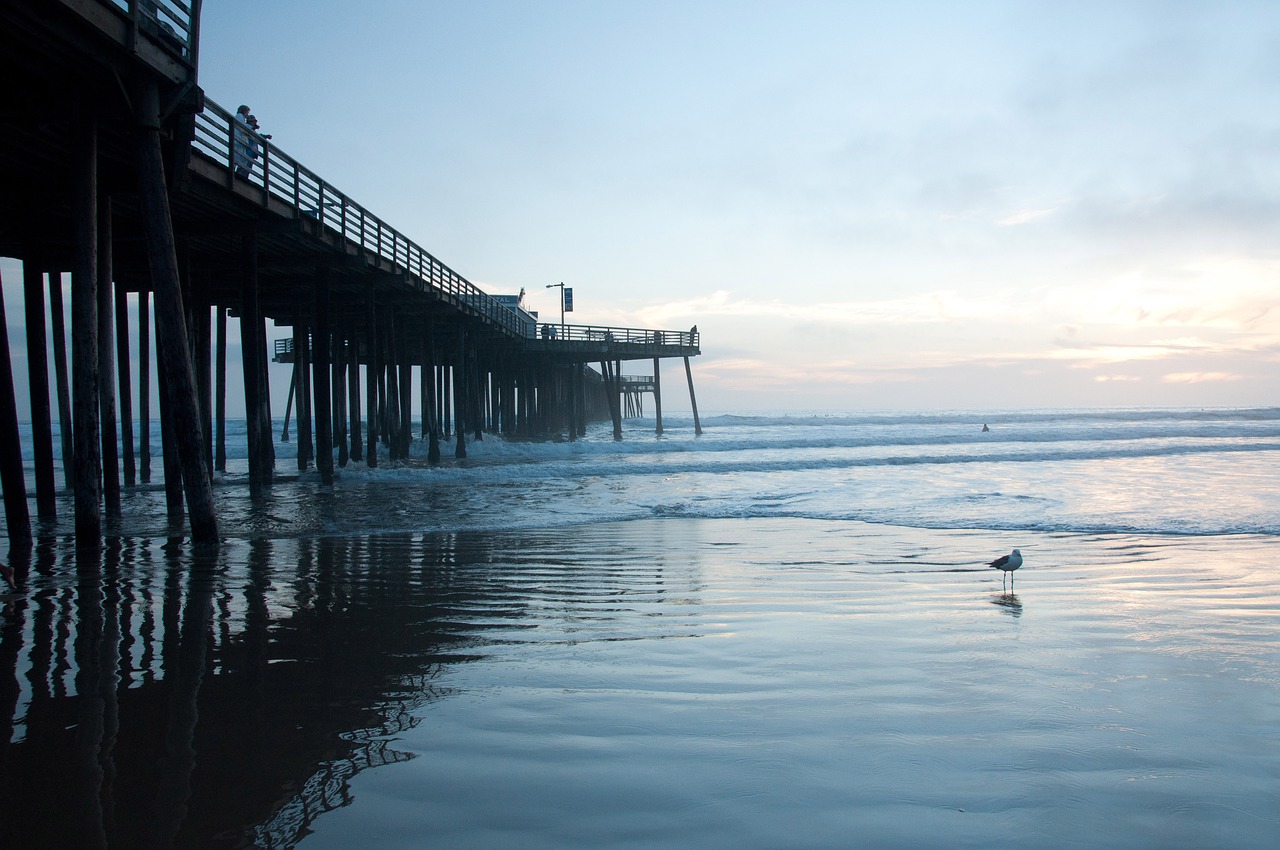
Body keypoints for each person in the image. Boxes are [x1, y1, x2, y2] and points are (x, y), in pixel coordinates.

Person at [233, 105, 254, 177]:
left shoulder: (241, 117)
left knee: (241, 160)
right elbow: (243, 126)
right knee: (236, 158)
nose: (247, 114)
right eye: (247, 112)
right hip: (237, 141)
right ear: (244, 111)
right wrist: (251, 127)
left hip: (240, 142)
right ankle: (235, 174)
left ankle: (237, 174)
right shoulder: (239, 116)